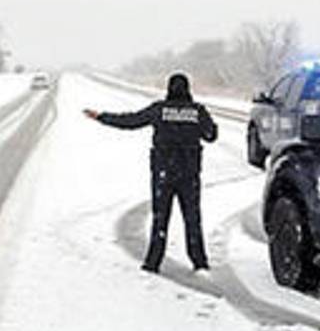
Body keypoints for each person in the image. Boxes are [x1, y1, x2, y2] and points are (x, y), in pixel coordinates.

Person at [83, 73, 218, 274]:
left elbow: (131, 121)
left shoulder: (159, 110)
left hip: (163, 173)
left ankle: (153, 262)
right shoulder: (197, 111)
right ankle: (199, 261)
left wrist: (102, 117)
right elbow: (211, 135)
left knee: (160, 218)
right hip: (189, 174)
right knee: (192, 218)